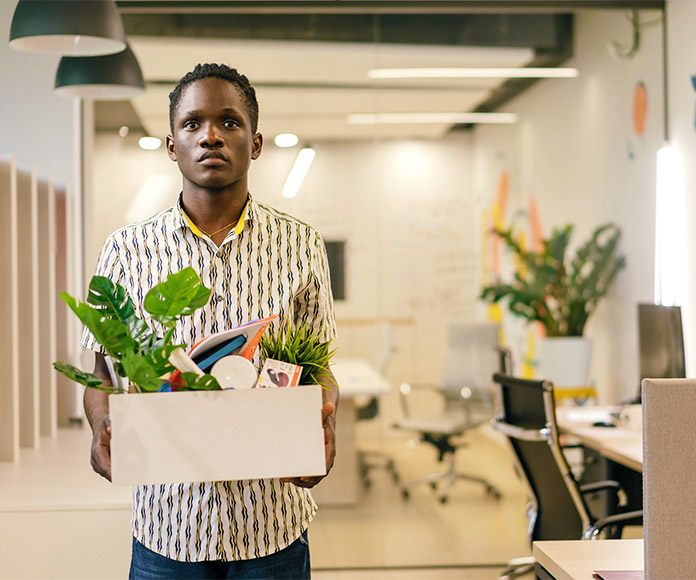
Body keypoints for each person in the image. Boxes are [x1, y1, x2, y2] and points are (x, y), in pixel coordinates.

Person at [82, 63, 338, 579]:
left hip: (272, 524)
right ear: (172, 145)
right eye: (193, 124)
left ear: (256, 143)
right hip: (167, 527)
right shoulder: (126, 250)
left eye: (230, 122)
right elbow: (100, 374)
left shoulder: (301, 245)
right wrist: (101, 426)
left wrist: (326, 426)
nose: (211, 136)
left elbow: (320, 370)